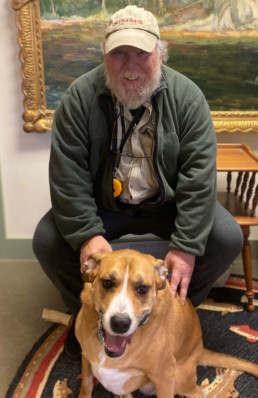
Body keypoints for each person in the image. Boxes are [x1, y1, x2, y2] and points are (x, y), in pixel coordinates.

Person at [33, 5, 243, 362]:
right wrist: (86, 235)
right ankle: (88, 314)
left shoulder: (188, 98)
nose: (129, 65)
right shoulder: (77, 99)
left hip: (167, 204)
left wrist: (187, 244)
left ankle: (174, 310)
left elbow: (199, 177)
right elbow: (68, 178)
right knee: (48, 239)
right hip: (108, 206)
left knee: (227, 237)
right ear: (104, 54)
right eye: (119, 53)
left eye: (141, 54)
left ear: (159, 53)